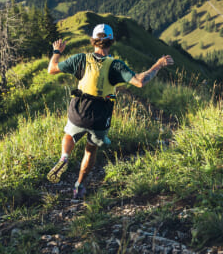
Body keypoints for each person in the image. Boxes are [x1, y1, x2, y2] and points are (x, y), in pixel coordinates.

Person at [46, 23, 174, 199]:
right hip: (100, 117)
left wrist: (57, 52)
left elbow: (51, 69)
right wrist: (158, 65)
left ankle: (64, 157)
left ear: (93, 41)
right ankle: (79, 185)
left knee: (69, 134)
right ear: (111, 42)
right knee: (90, 151)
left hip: (79, 111)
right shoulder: (115, 65)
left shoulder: (80, 59)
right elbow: (140, 81)